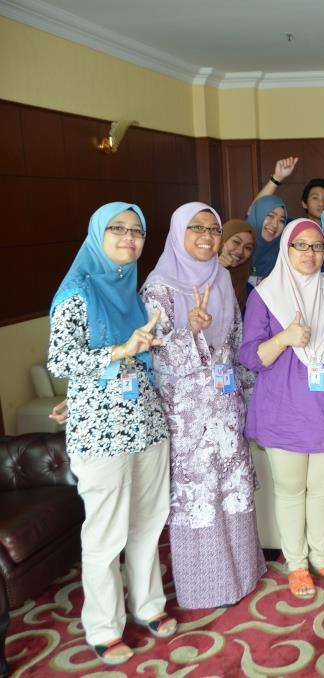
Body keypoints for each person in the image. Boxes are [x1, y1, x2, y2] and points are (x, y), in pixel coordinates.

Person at [47, 202, 176, 665]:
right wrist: (119, 350)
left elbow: (141, 358)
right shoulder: (77, 292)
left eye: (136, 231)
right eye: (117, 229)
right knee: (105, 532)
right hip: (102, 432)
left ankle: (148, 605)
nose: (128, 238)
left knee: (148, 521)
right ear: (97, 235)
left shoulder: (134, 293)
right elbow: (61, 360)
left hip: (146, 421)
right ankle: (103, 626)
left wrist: (139, 351)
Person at [142, 202, 265, 609]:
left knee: (231, 487)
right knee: (200, 494)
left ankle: (243, 574)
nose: (207, 236)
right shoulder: (159, 287)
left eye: (213, 229)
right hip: (187, 413)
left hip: (225, 405)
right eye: (197, 228)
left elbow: (235, 340)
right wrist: (191, 331)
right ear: (179, 232)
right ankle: (206, 587)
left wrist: (249, 396)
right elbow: (153, 353)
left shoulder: (222, 278)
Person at [239, 219, 324, 599]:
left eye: (317, 246)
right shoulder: (265, 295)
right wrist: (285, 338)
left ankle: (322, 557)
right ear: (285, 249)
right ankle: (297, 564)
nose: (310, 253)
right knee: (290, 490)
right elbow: (250, 357)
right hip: (283, 407)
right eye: (300, 245)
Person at [247, 195, 288, 287]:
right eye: (270, 216)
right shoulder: (235, 247)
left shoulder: (284, 256)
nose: (275, 224)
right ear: (258, 215)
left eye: (281, 221)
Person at [218, 218, 256, 309]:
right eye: (236, 242)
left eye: (248, 247)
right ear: (222, 240)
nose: (240, 251)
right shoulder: (198, 276)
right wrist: (216, 270)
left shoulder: (248, 292)